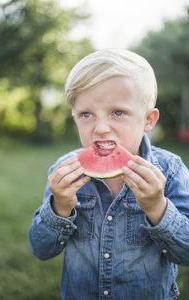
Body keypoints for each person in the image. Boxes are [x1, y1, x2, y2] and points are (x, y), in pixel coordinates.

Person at [29, 49, 189, 300]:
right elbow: (40, 249)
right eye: (86, 114)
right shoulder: (64, 171)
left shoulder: (170, 171)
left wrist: (157, 207)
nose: (101, 128)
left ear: (148, 120)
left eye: (117, 112)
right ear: (75, 118)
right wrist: (59, 206)